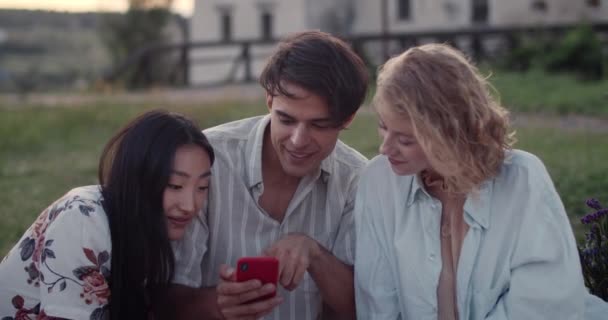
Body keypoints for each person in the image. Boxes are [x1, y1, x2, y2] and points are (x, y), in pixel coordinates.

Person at [353, 43, 588, 319]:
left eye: (406, 139)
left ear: (449, 133)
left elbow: (545, 301)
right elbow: (377, 302)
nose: (385, 148)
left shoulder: (522, 180)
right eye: (383, 126)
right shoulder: (378, 181)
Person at [170, 30, 369, 320]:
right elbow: (163, 296)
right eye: (286, 119)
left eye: (319, 125)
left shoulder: (356, 180)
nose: (298, 140)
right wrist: (216, 304)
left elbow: (358, 308)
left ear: (348, 119)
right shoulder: (209, 160)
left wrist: (314, 254)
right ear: (269, 100)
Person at [0, 110, 215, 320]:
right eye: (175, 186)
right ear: (138, 177)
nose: (190, 205)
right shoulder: (83, 220)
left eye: (202, 187)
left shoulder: (166, 226)